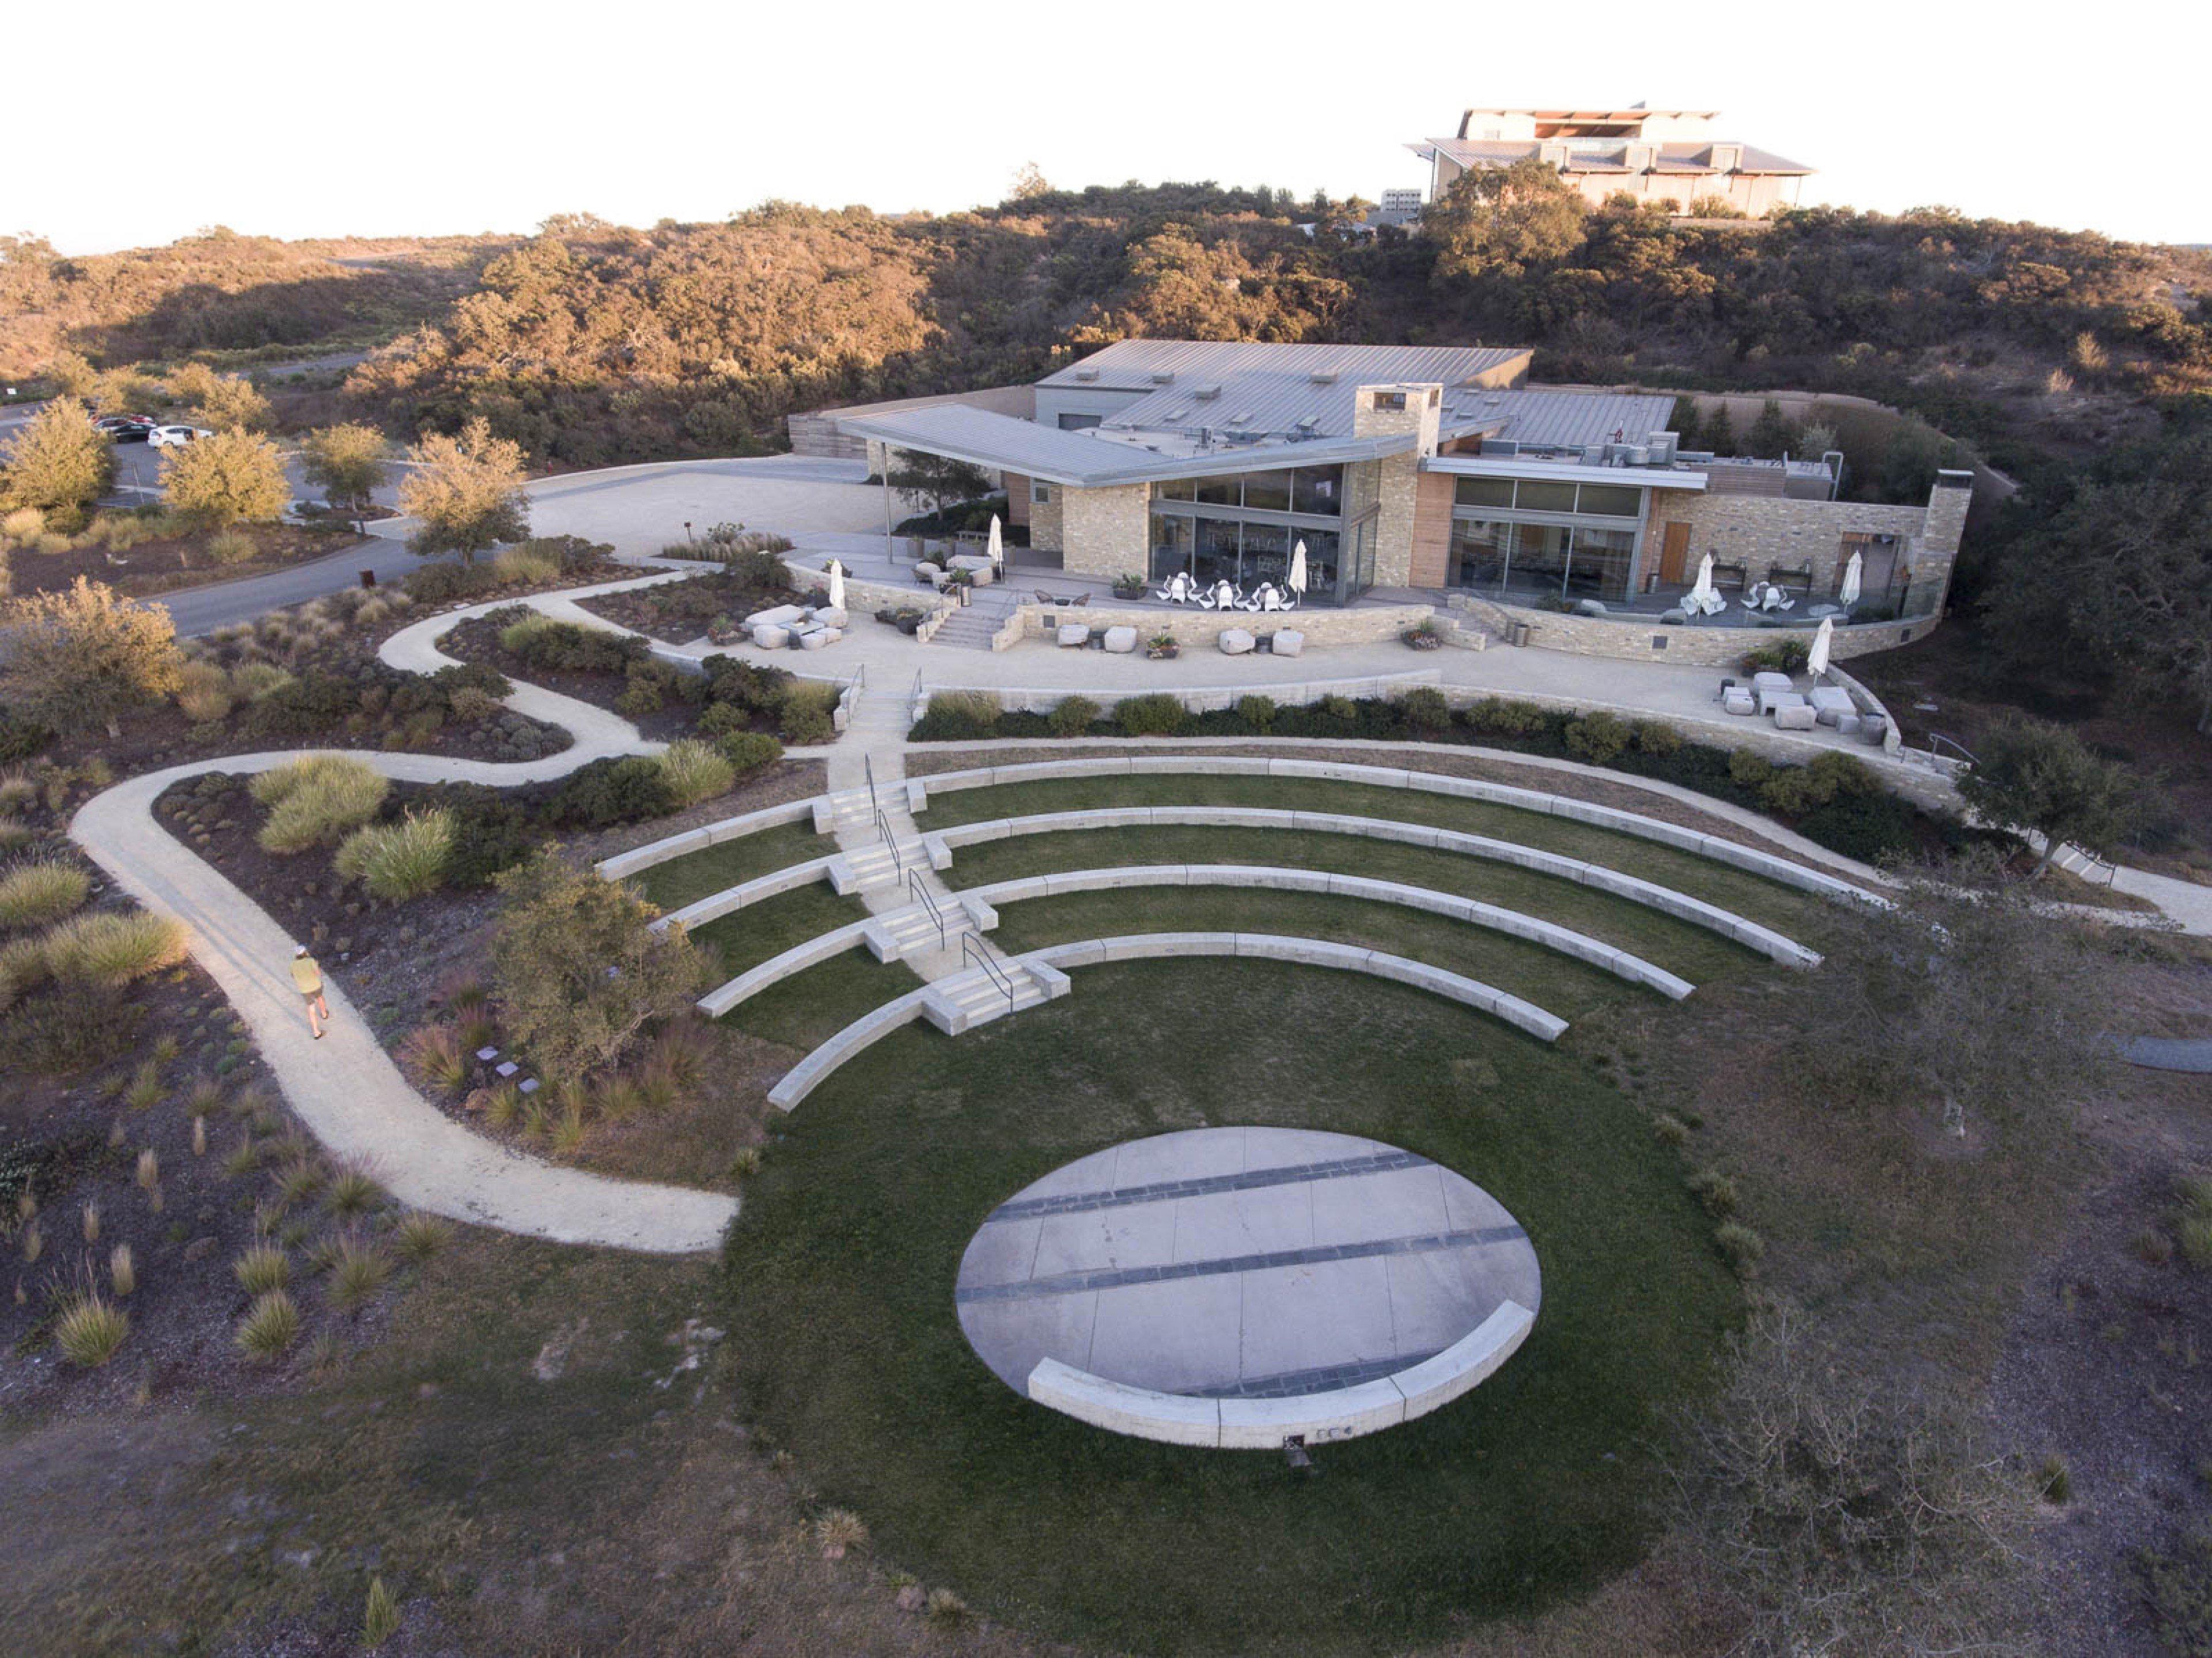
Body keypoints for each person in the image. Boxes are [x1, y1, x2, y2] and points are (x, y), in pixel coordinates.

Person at [290, 945, 331, 1039]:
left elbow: (293, 976)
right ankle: (324, 1014)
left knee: (311, 1009)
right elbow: (318, 974)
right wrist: (316, 966)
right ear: (306, 953)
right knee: (320, 998)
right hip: (316, 986)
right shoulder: (311, 961)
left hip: (304, 989)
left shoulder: (293, 964)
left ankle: (316, 1033)